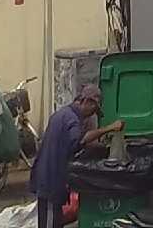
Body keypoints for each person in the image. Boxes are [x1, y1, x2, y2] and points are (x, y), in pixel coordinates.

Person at [28, 86, 124, 228]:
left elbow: (71, 144)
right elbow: (81, 140)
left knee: (54, 222)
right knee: (49, 223)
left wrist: (101, 146)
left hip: (48, 177)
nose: (91, 115)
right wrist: (110, 128)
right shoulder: (72, 119)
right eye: (93, 110)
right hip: (50, 181)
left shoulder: (62, 114)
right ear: (87, 102)